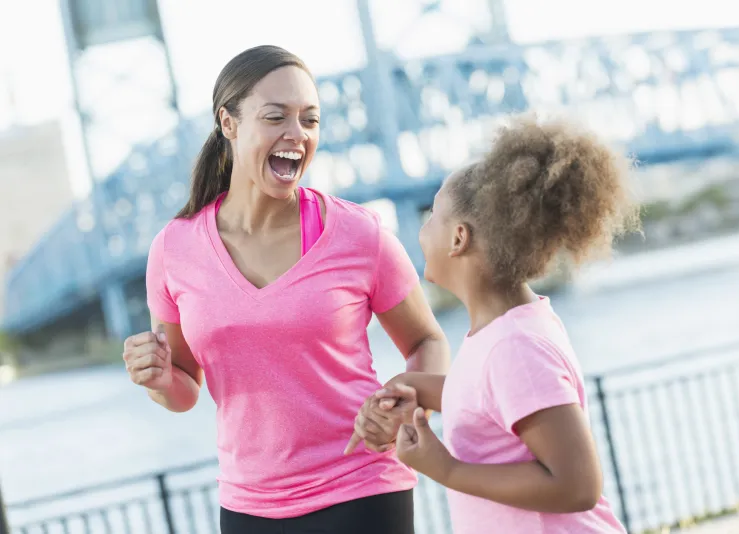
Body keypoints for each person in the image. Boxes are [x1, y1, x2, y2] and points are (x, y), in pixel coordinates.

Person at [121, 45, 450, 534]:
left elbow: (427, 343)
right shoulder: (174, 251)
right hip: (249, 506)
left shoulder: (360, 235)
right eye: (276, 117)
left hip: (362, 486)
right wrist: (155, 377)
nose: (296, 135)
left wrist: (406, 401)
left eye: (310, 120)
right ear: (228, 123)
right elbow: (184, 389)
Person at [352, 114, 640, 533]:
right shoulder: (501, 333)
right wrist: (408, 386)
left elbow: (576, 484)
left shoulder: (514, 347)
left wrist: (446, 468)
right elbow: (482, 395)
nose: (422, 228)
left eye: (432, 214)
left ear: (458, 238)